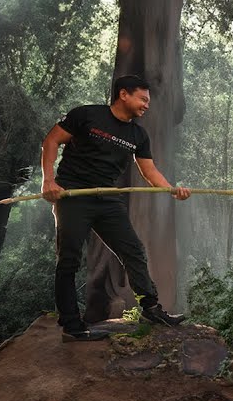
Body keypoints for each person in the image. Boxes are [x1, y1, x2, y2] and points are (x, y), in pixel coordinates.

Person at [41, 74, 191, 342]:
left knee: (132, 250)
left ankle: (150, 308)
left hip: (107, 198)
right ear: (124, 94)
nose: (147, 105)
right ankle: (73, 326)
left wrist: (172, 190)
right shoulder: (86, 115)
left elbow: (149, 170)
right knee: (69, 259)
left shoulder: (137, 135)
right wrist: (49, 180)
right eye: (143, 99)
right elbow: (51, 140)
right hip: (73, 195)